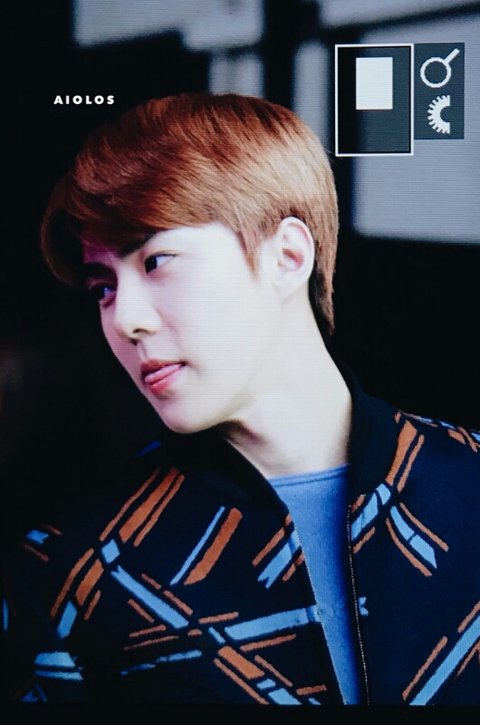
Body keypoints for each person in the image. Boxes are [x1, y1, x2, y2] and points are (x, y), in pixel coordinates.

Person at [2, 92, 479, 706]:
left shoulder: (467, 482)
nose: (124, 319)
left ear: (288, 256)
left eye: (156, 261)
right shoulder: (71, 571)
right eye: (103, 288)